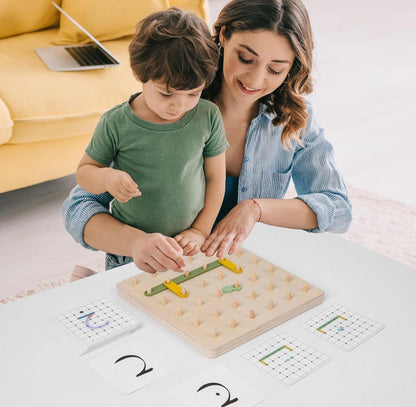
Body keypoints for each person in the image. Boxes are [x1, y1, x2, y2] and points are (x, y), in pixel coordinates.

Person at [63, 0, 352, 274]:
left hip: (231, 270)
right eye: (246, 58)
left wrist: (255, 209)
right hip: (156, 268)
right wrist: (136, 243)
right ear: (224, 36)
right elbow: (80, 207)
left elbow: (338, 208)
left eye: (275, 69)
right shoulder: (170, 103)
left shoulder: (292, 120)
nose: (255, 79)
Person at [74, 8, 229, 270]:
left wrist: (200, 231)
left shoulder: (208, 116)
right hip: (130, 254)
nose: (178, 106)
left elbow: (215, 178)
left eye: (193, 94)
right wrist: (107, 178)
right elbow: (84, 173)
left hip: (187, 245)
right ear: (140, 75)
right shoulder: (115, 122)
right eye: (167, 94)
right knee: (128, 304)